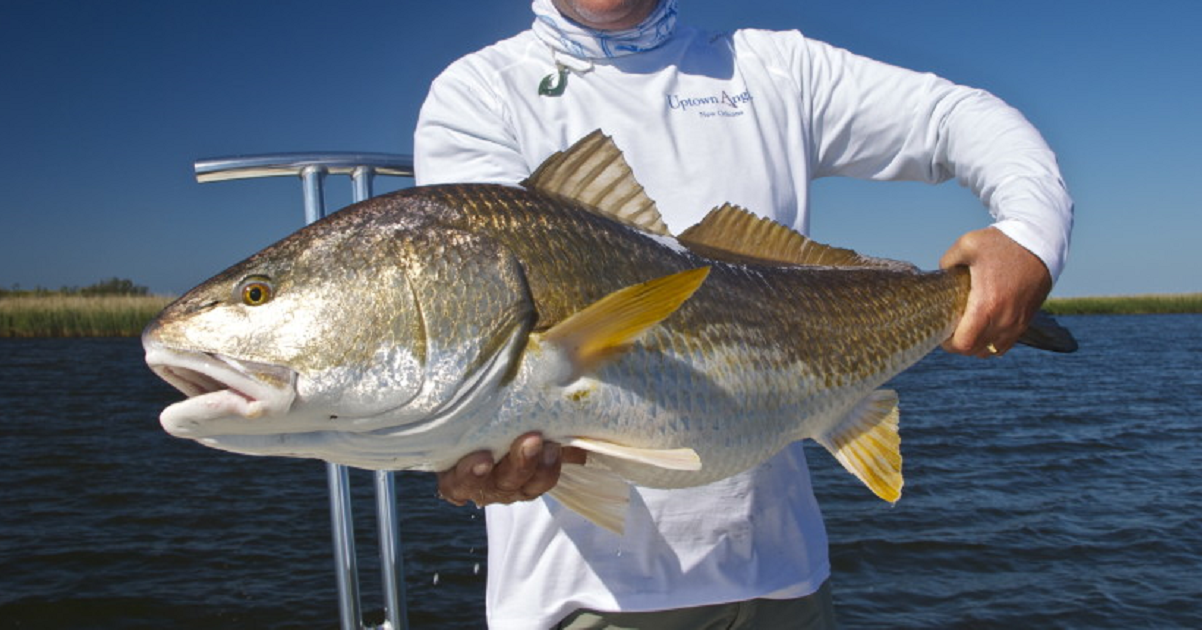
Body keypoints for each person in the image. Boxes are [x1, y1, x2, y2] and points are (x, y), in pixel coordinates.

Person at [412, 1, 1073, 627]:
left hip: (782, 584)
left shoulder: (773, 69)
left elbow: (958, 117)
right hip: (578, 599)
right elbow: (479, 332)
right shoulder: (480, 92)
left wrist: (1029, 238)